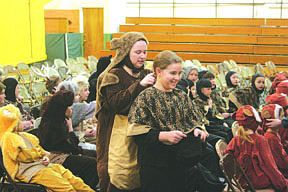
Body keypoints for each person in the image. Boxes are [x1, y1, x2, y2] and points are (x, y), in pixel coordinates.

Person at [128, 51, 223, 192]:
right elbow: (137, 134)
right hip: (155, 167)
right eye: (172, 73)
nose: (177, 78)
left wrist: (196, 129)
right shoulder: (145, 97)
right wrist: (163, 136)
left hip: (180, 164)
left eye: (179, 74)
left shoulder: (180, 95)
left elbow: (193, 120)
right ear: (158, 71)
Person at [95, 32, 156, 192]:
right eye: (138, 52)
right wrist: (140, 86)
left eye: (145, 52)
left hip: (140, 134)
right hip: (116, 135)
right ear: (125, 53)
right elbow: (116, 103)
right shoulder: (112, 75)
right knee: (116, 176)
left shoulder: (145, 73)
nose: (142, 56)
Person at [0, 104, 94, 191]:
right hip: (28, 171)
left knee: (73, 180)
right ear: (13, 123)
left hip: (41, 165)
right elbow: (24, 156)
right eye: (19, 120)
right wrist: (40, 154)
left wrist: (44, 155)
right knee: (64, 186)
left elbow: (38, 148)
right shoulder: (8, 138)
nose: (22, 122)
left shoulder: (24, 135)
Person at [38, 90, 99, 190]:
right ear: (63, 108)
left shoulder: (60, 120)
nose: (71, 109)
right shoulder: (52, 124)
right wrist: (70, 129)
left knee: (97, 154)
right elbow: (71, 147)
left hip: (65, 153)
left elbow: (73, 145)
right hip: (55, 157)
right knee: (92, 164)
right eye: (69, 107)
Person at [225, 105, 288, 191]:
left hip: (244, 182)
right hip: (259, 182)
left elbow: (227, 161)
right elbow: (269, 166)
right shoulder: (260, 140)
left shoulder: (235, 140)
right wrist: (282, 184)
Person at [193, 79, 232, 146]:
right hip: (207, 126)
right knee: (224, 136)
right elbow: (202, 118)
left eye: (211, 89)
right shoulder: (196, 102)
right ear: (201, 90)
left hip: (214, 123)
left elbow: (215, 114)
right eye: (208, 89)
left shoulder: (208, 99)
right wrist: (208, 108)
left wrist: (222, 122)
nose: (210, 91)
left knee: (229, 130)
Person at [261, 104, 288, 177]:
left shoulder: (274, 134)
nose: (283, 119)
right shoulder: (271, 137)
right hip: (282, 171)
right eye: (281, 117)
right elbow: (281, 161)